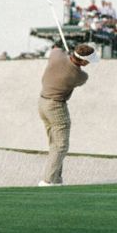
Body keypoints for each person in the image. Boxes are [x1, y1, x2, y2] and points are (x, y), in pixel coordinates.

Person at [38, 43, 98, 187]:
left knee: (55, 144)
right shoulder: (80, 75)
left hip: (42, 103)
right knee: (60, 145)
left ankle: (57, 180)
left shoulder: (57, 56)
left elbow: (55, 47)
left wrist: (63, 50)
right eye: (88, 61)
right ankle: (48, 181)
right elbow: (77, 72)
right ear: (83, 61)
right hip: (56, 107)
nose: (89, 63)